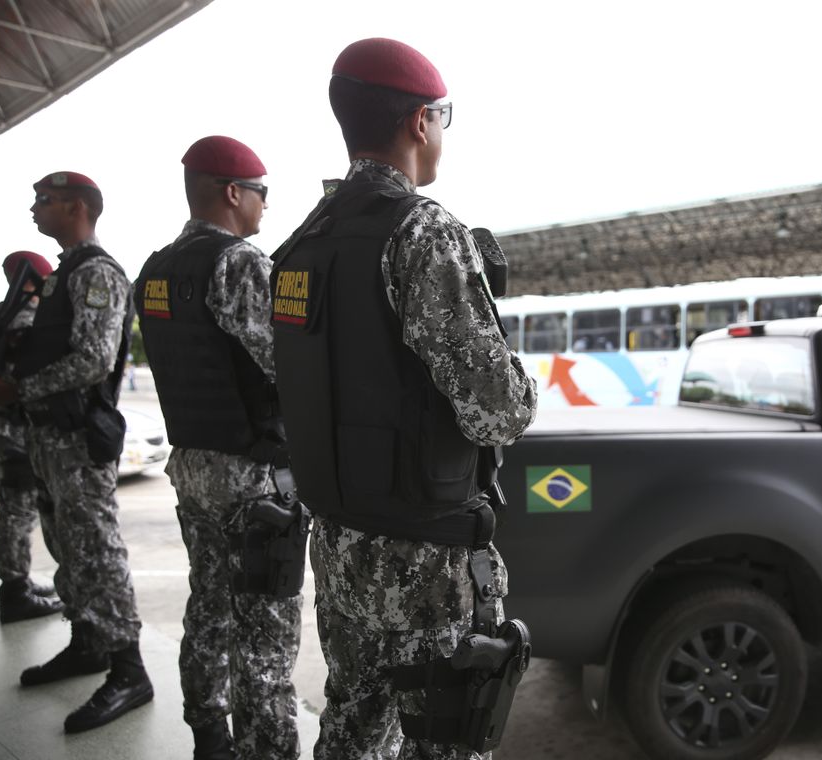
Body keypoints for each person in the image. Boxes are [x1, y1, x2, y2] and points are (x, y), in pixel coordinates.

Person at [270, 38, 538, 759]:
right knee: (445, 743)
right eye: (442, 118)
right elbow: (496, 410)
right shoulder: (423, 231)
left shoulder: (299, 247)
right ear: (421, 122)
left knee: (353, 730)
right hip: (424, 561)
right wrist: (524, 381)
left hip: (340, 547)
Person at [134, 135, 302, 760]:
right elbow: (287, 366)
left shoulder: (154, 269)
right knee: (265, 630)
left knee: (208, 601)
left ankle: (209, 733)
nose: (265, 207)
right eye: (262, 194)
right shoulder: (239, 263)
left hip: (192, 466)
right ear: (233, 192)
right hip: (252, 475)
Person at [0, 171, 152, 733]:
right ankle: (88, 643)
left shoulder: (96, 273)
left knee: (97, 551)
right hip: (49, 437)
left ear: (78, 207)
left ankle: (129, 669)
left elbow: (92, 359)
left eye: (45, 201)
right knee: (68, 547)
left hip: (77, 437)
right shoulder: (64, 275)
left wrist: (20, 389)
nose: (34, 210)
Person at [0, 251, 64, 623]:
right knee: (19, 509)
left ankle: (17, 583)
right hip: (14, 430)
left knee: (10, 505)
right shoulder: (30, 317)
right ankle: (14, 592)